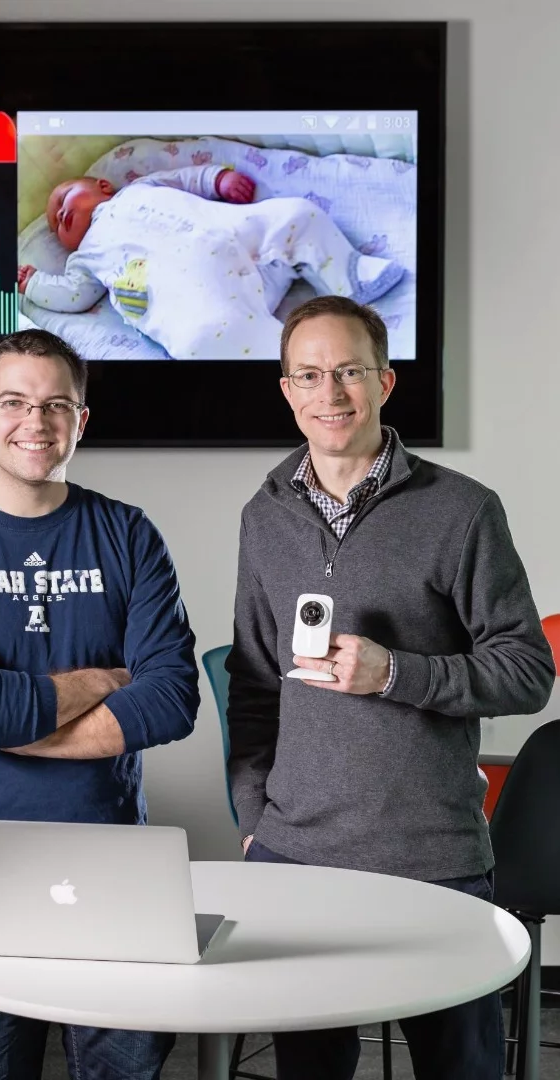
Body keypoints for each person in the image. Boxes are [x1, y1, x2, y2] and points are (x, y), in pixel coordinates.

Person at [225, 294, 555, 1080]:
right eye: (309, 375)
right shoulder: (262, 515)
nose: (329, 392)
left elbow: (526, 670)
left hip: (431, 855)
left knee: (458, 1072)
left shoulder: (462, 511)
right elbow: (253, 682)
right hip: (296, 856)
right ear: (286, 391)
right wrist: (252, 817)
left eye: (347, 372)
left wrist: (394, 673)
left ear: (383, 382)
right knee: (309, 1071)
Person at [0, 328, 198, 1080]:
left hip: (111, 852)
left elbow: (172, 700)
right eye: (14, 402)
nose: (37, 421)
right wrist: (101, 679)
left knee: (124, 1070)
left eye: (57, 404)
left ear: (81, 422)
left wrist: (13, 719)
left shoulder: (126, 534)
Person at [18, 166, 403, 360]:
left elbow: (185, 178)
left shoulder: (138, 189)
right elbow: (73, 295)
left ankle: (350, 278)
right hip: (206, 300)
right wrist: (34, 282)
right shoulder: (87, 256)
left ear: (102, 185)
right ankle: (304, 361)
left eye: (65, 196)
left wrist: (218, 179)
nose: (60, 214)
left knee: (296, 215)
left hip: (243, 238)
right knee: (206, 337)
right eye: (55, 223)